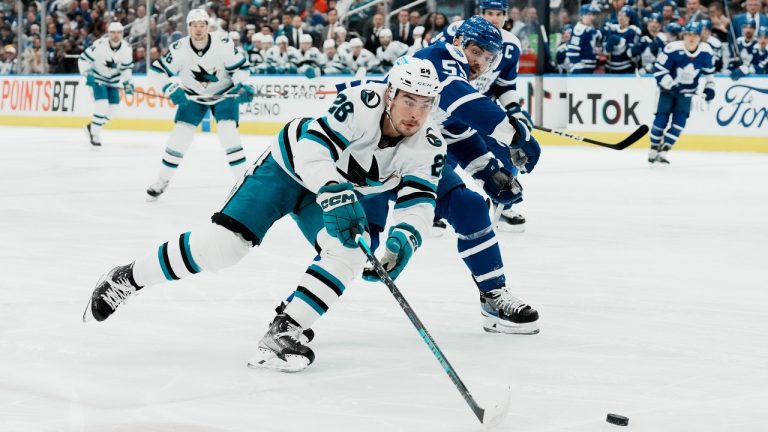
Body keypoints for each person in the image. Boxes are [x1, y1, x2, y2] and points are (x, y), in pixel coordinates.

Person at [83, 59, 446, 373]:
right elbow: (312, 146)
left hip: (330, 190)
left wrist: (405, 239)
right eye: (408, 100)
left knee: (351, 250)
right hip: (287, 169)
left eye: (425, 103)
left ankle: (285, 330)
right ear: (389, 95)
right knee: (221, 249)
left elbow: (419, 200)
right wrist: (333, 190)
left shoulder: (429, 144)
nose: (415, 112)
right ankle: (127, 277)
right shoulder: (360, 102)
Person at [350, 15, 541, 335]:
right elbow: (462, 101)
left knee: (470, 209)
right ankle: (292, 316)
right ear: (458, 43)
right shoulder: (436, 59)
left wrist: (488, 173)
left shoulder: (457, 74)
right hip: (373, 160)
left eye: (488, 57)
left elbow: (456, 132)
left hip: (419, 162)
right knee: (351, 249)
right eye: (475, 51)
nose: (479, 62)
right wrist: (517, 135)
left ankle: (493, 296)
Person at [432, 0, 532, 232]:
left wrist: (515, 111)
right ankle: (435, 208)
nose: (493, 18)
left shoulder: (511, 45)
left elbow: (505, 86)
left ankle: (503, 207)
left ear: (506, 16)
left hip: (485, 110)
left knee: (507, 154)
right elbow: (434, 63)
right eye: (489, 13)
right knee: (446, 156)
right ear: (481, 13)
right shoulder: (457, 31)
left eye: (498, 14)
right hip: (450, 109)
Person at [146, 9, 254, 200]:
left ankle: (245, 184)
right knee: (179, 137)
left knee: (228, 133)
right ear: (188, 27)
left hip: (224, 94)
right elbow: (156, 72)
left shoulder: (222, 43)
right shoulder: (179, 48)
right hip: (192, 96)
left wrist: (244, 85)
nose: (198, 29)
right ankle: (162, 181)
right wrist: (170, 89)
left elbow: (241, 68)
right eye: (194, 25)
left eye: (202, 25)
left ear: (208, 26)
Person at [649, 21, 715, 164]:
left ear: (700, 37)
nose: (692, 38)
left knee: (679, 123)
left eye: (695, 35)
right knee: (661, 121)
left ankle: (664, 151)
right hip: (667, 92)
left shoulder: (706, 51)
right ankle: (654, 148)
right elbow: (659, 70)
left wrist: (710, 87)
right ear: (683, 36)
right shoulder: (672, 48)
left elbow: (709, 74)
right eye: (689, 35)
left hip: (686, 94)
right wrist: (671, 85)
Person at [78, 21, 134, 147]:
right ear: (108, 33)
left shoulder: (126, 48)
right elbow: (83, 59)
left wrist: (128, 82)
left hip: (113, 82)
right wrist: (87, 74)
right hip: (98, 80)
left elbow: (126, 68)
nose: (116, 35)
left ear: (122, 33)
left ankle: (92, 126)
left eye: (119, 32)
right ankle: (95, 134)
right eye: (113, 32)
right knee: (102, 105)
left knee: (114, 109)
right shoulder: (99, 45)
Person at [602, 6, 641, 74]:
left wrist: (621, 42)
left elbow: (630, 54)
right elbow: (604, 52)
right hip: (609, 68)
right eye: (619, 15)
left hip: (626, 69)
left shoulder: (633, 31)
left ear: (629, 18)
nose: (621, 18)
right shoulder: (612, 28)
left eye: (624, 16)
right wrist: (607, 47)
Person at [566, 4, 602, 74]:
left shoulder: (590, 29)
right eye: (589, 14)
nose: (592, 17)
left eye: (593, 14)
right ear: (582, 15)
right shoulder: (579, 30)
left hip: (590, 69)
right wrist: (579, 67)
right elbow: (572, 52)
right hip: (582, 71)